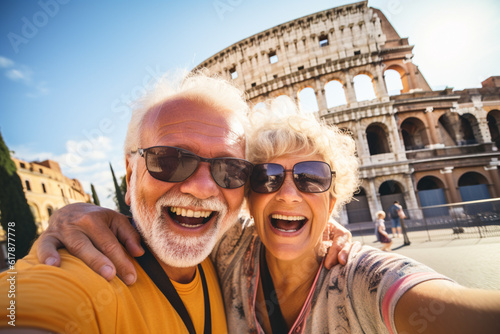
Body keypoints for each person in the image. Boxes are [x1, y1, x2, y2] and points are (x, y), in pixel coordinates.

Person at [30, 97, 500, 333]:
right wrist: (78, 214)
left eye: (313, 179)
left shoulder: (361, 277)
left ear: (333, 200)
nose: (289, 193)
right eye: (267, 177)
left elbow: (450, 308)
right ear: (247, 200)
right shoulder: (225, 249)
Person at [0, 73, 352, 333]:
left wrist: (319, 222)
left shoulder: (225, 251)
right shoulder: (81, 275)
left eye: (228, 169)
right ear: (130, 170)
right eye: (168, 160)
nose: (200, 188)